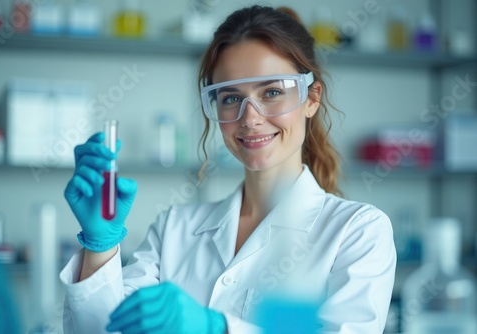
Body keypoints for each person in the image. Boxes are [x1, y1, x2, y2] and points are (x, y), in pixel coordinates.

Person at [60, 5, 396, 334]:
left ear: (311, 99)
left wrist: (217, 327)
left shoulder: (358, 231)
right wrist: (99, 246)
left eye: (273, 92)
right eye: (231, 98)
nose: (250, 118)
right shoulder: (174, 228)